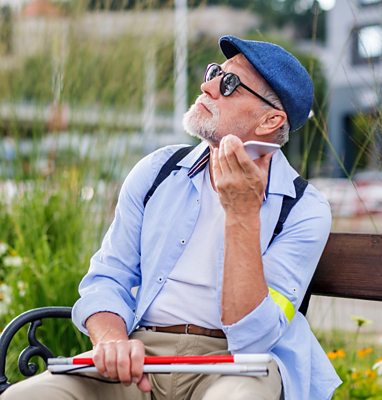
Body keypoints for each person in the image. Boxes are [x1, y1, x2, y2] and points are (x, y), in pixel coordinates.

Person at [3, 35, 341, 400]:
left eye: (229, 84)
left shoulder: (304, 209)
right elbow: (107, 277)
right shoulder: (158, 170)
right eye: (215, 72)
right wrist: (112, 340)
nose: (208, 86)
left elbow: (253, 336)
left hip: (237, 364)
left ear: (270, 120)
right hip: (141, 356)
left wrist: (241, 213)